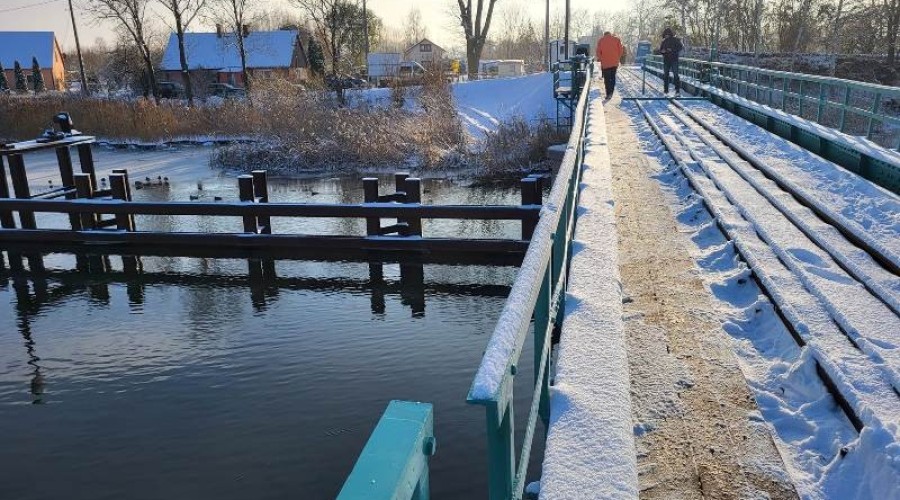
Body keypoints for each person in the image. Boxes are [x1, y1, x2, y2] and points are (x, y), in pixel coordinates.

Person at [596, 31, 625, 100]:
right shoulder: (617, 39)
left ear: (604, 35)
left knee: (607, 79)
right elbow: (621, 50)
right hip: (614, 63)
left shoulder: (601, 40)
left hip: (605, 63)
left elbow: (598, 52)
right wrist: (617, 57)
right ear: (610, 34)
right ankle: (611, 92)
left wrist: (601, 58)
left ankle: (608, 93)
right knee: (613, 77)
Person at [659, 27, 683, 96]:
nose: (666, 35)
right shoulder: (663, 41)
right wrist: (662, 51)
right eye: (665, 34)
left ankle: (677, 90)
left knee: (676, 75)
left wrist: (672, 50)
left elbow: (680, 47)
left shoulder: (675, 40)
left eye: (667, 34)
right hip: (666, 60)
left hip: (674, 60)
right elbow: (661, 50)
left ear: (670, 34)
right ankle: (666, 90)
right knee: (666, 75)